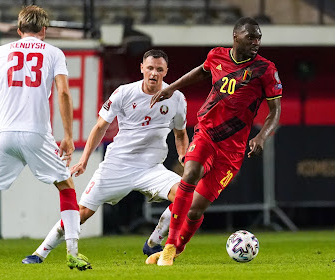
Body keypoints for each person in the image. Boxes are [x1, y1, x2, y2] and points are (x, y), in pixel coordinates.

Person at [0, 5, 91, 272]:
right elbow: (63, 94)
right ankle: (73, 252)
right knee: (66, 185)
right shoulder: (54, 53)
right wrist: (68, 137)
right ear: (44, 30)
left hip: (2, 134)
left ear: (18, 30)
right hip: (37, 134)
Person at [21, 49, 189, 264]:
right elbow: (100, 126)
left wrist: (184, 157)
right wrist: (84, 160)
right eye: (149, 68)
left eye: (159, 69)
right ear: (141, 68)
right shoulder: (124, 93)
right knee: (81, 212)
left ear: (166, 71)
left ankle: (154, 242)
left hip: (151, 168)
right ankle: (39, 253)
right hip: (117, 167)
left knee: (186, 197)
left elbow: (181, 133)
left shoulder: (176, 98)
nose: (153, 73)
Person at [146, 17, 282, 266]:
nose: (256, 42)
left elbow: (276, 111)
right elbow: (201, 71)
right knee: (189, 175)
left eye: (259, 38)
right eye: (251, 37)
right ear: (236, 36)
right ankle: (168, 247)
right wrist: (172, 87)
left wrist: (262, 135)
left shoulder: (266, 69)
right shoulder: (217, 56)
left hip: (232, 151)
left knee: (196, 208)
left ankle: (176, 250)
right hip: (206, 133)